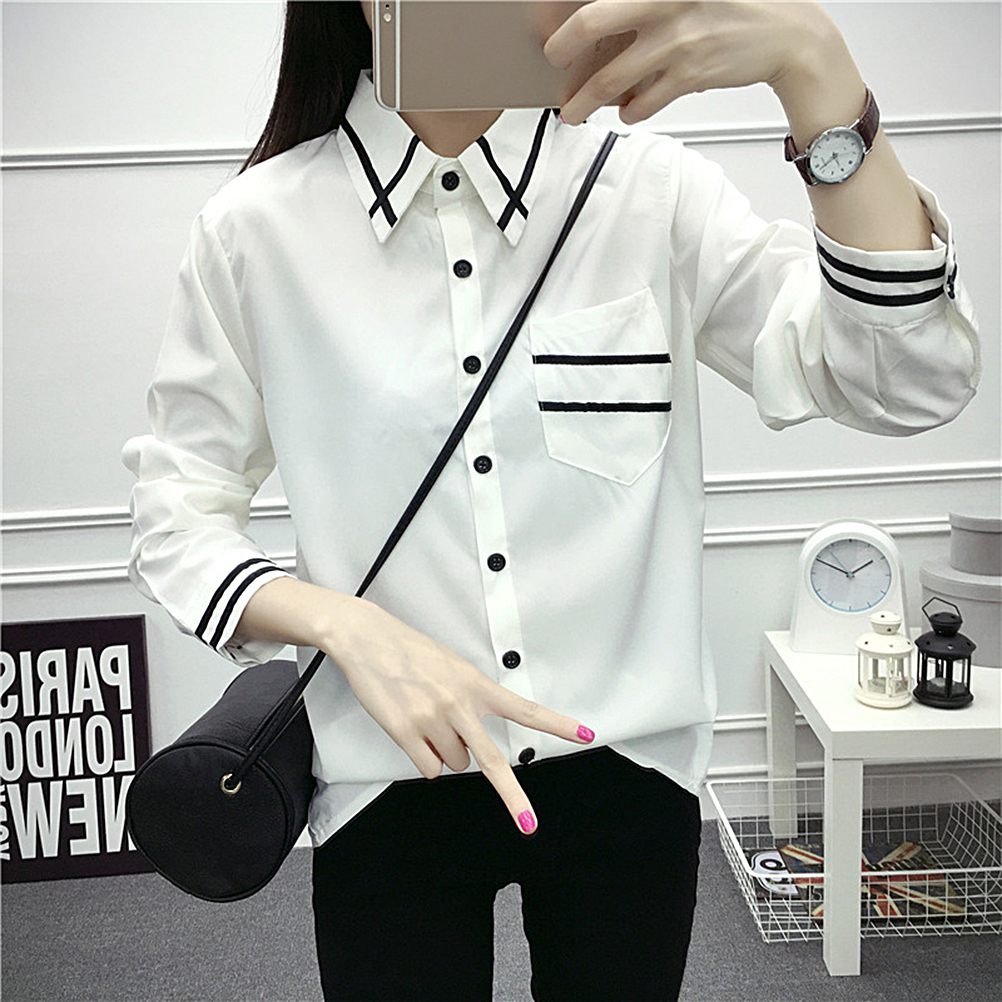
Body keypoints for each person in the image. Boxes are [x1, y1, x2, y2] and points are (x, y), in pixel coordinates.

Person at [122, 2, 980, 999]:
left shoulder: (652, 196)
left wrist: (814, 67)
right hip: (389, 770)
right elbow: (175, 512)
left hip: (625, 770)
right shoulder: (256, 232)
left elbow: (907, 379)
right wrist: (345, 626)